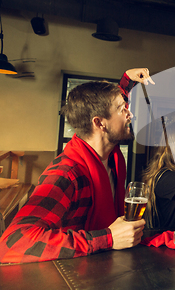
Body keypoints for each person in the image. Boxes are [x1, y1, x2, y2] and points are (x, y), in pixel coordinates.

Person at [0, 68, 154, 264]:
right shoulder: (66, 173)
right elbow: (13, 242)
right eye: (122, 109)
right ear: (99, 123)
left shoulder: (110, 156)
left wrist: (126, 81)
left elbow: (108, 103)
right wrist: (108, 238)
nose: (129, 114)